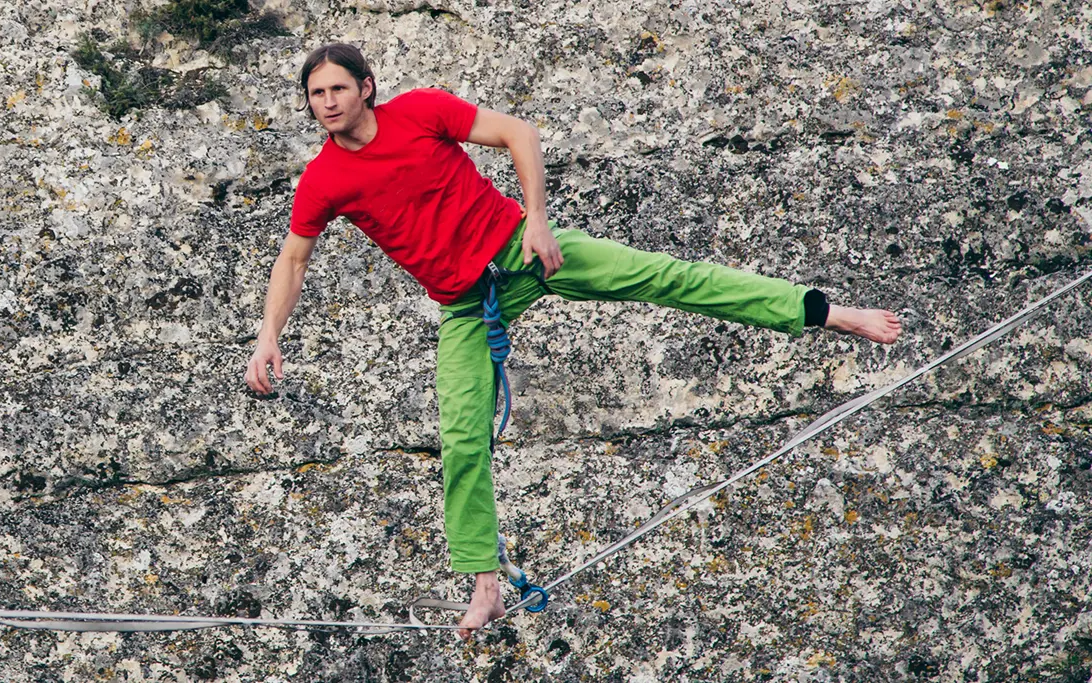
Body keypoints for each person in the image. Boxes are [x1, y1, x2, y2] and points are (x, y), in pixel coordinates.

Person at [243, 43, 902, 640]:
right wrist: (269, 335)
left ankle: (826, 311)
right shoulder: (325, 180)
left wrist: (536, 220)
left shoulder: (420, 112)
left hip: (524, 253)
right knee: (462, 438)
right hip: (468, 307)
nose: (326, 103)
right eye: (315, 95)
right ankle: (485, 586)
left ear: (366, 87)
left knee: (667, 277)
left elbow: (517, 133)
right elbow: (293, 261)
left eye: (337, 89)